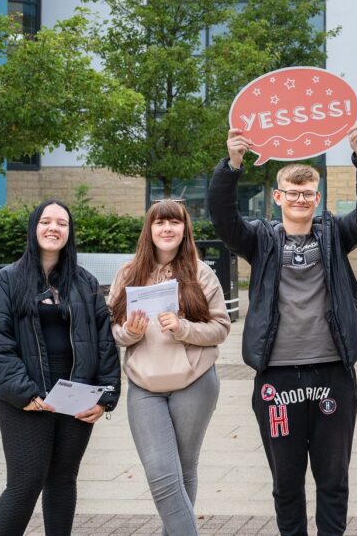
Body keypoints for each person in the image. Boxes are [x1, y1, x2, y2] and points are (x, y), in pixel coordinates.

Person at [208, 113, 357, 536]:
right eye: (293, 193)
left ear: (318, 197)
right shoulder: (261, 239)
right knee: (286, 483)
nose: (301, 200)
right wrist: (231, 166)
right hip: (277, 377)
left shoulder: (335, 235)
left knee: (333, 480)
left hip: (332, 372)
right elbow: (223, 219)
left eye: (308, 193)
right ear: (277, 197)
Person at [0, 199, 121, 536]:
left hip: (77, 394)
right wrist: (22, 392)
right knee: (26, 481)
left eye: (62, 223)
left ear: (69, 233)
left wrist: (105, 397)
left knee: (62, 479)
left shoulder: (84, 283)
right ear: (34, 228)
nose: (54, 228)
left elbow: (104, 343)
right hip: (28, 397)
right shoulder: (7, 281)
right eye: (46, 221)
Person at [108, 199, 231, 535]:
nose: (166, 229)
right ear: (149, 229)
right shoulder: (128, 273)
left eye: (174, 223)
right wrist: (129, 333)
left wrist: (182, 328)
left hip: (195, 383)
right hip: (144, 387)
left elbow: (221, 328)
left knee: (183, 469)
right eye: (159, 222)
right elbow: (113, 331)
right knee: (162, 475)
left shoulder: (201, 273)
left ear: (184, 229)